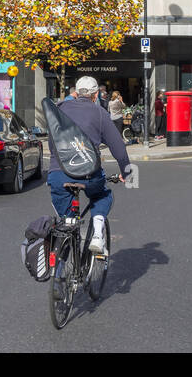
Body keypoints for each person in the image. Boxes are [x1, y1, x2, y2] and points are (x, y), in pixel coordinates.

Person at [47, 76, 133, 256]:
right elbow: (118, 148)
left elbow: (52, 144)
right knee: (103, 194)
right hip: (88, 174)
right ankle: (98, 230)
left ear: (76, 93)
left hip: (58, 174)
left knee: (67, 222)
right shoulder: (99, 113)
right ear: (95, 95)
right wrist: (127, 171)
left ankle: (61, 269)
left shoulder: (59, 109)